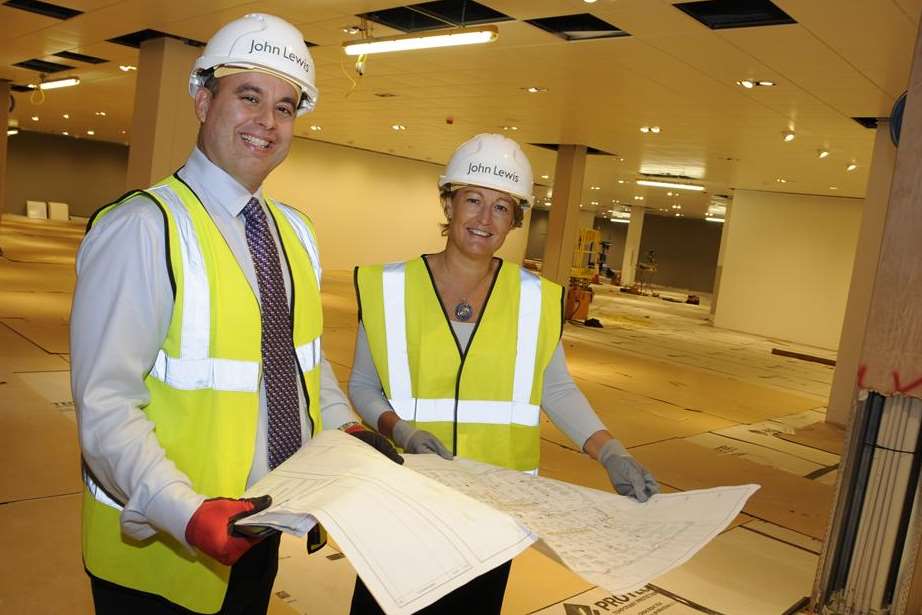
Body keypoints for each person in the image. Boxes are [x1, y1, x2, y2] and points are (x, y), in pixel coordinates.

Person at [71, 13, 399, 615]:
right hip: (161, 547)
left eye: (285, 107)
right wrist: (186, 513)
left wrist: (342, 429)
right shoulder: (144, 228)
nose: (267, 123)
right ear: (202, 98)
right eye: (248, 96)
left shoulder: (294, 231)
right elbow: (105, 405)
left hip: (263, 525)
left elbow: (302, 363)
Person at [348, 133, 659, 613]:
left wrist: (609, 450)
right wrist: (399, 429)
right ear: (448, 203)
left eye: (501, 207)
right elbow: (365, 385)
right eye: (472, 199)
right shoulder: (388, 286)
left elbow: (555, 387)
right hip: (404, 499)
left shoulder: (536, 297)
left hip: (493, 512)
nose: (483, 219)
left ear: (515, 220)